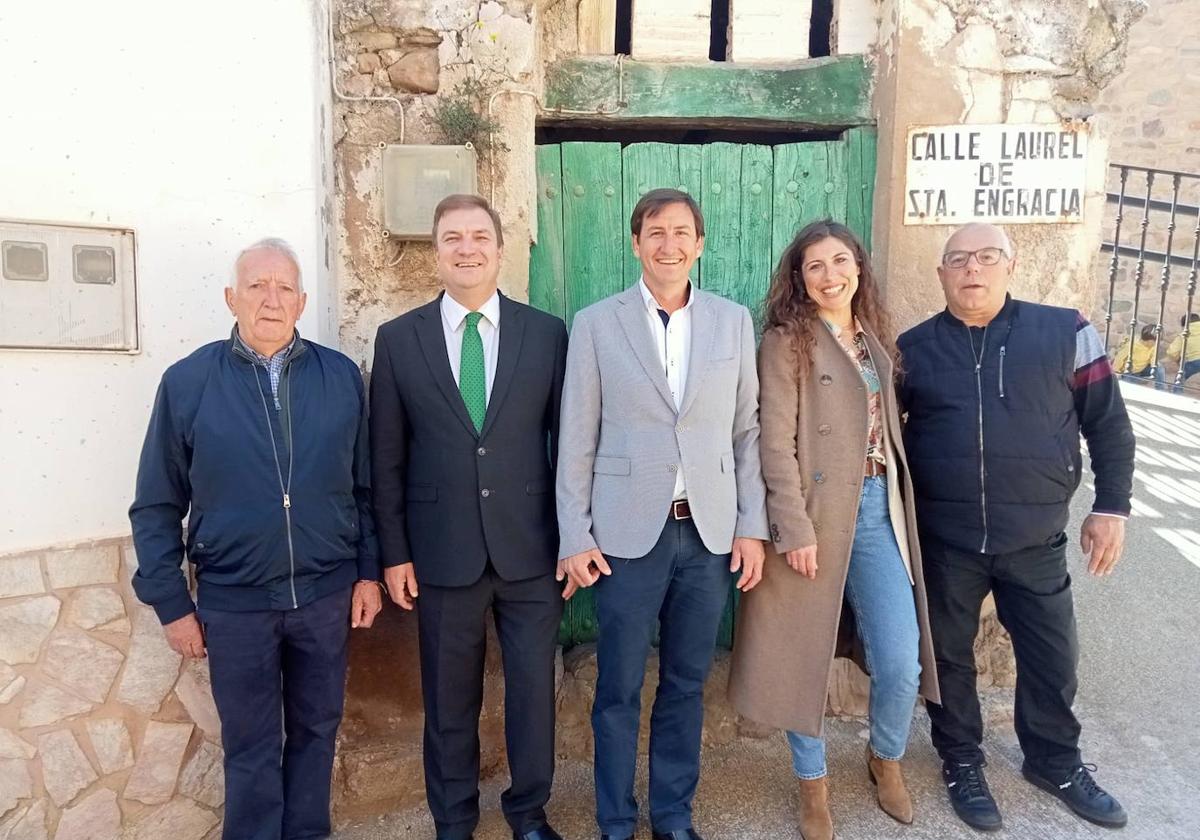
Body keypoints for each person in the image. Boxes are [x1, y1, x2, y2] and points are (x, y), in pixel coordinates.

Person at [130, 238, 382, 840]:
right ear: (231, 297)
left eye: (283, 287)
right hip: (234, 603)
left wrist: (367, 572)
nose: (271, 299)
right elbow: (157, 503)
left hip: (324, 599)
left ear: (301, 300)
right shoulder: (188, 383)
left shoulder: (341, 377)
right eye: (256, 286)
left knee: (318, 733)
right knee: (250, 745)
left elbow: (366, 489)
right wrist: (172, 604)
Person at [898, 223, 1135, 831]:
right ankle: (960, 761)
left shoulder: (1066, 332)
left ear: (1010, 265)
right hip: (946, 540)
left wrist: (1111, 508)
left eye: (985, 257)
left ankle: (1054, 762)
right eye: (958, 260)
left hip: (1035, 537)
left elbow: (1107, 424)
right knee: (947, 659)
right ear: (942, 273)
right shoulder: (912, 348)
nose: (972, 269)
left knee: (1053, 658)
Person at [556, 188, 769, 840]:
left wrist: (751, 525)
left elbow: (746, 432)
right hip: (625, 534)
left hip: (707, 534)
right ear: (636, 242)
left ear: (699, 243)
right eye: (655, 232)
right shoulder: (597, 323)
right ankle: (616, 821)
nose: (669, 244)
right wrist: (573, 532)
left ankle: (673, 816)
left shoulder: (732, 322)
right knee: (618, 687)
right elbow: (576, 436)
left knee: (684, 683)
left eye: (681, 232)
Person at [729, 220, 940, 840]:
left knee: (900, 659)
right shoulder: (786, 341)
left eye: (840, 261)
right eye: (814, 265)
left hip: (878, 511)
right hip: (812, 514)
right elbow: (775, 443)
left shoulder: (875, 338)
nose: (830, 276)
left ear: (858, 268)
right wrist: (792, 528)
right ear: (799, 277)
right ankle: (813, 783)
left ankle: (886, 756)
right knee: (802, 659)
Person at [369, 194, 568, 840]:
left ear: (500, 248)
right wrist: (393, 553)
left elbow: (566, 446)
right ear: (436, 252)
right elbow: (386, 459)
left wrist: (574, 541)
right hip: (441, 551)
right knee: (449, 703)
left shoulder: (546, 334)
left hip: (531, 549)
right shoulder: (399, 341)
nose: (467, 248)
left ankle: (528, 811)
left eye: (479, 236)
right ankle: (453, 819)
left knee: (533, 695)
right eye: (452, 238)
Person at [1164, 312, 1200, 390]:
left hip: (1194, 362)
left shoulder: (1183, 335)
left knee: (1180, 378)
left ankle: (1176, 393)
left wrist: (1177, 359)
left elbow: (1172, 352)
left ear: (1184, 325)